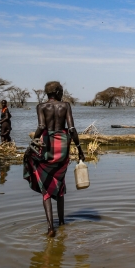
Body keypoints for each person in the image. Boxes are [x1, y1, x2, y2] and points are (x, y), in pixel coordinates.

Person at [23, 81, 85, 237]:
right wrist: (79, 150)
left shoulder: (41, 107)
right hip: (62, 149)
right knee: (60, 185)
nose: (62, 93)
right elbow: (71, 129)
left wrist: (33, 141)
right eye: (61, 91)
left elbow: (42, 126)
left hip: (47, 149)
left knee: (46, 189)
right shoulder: (66, 106)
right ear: (57, 92)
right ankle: (62, 223)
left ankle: (51, 228)